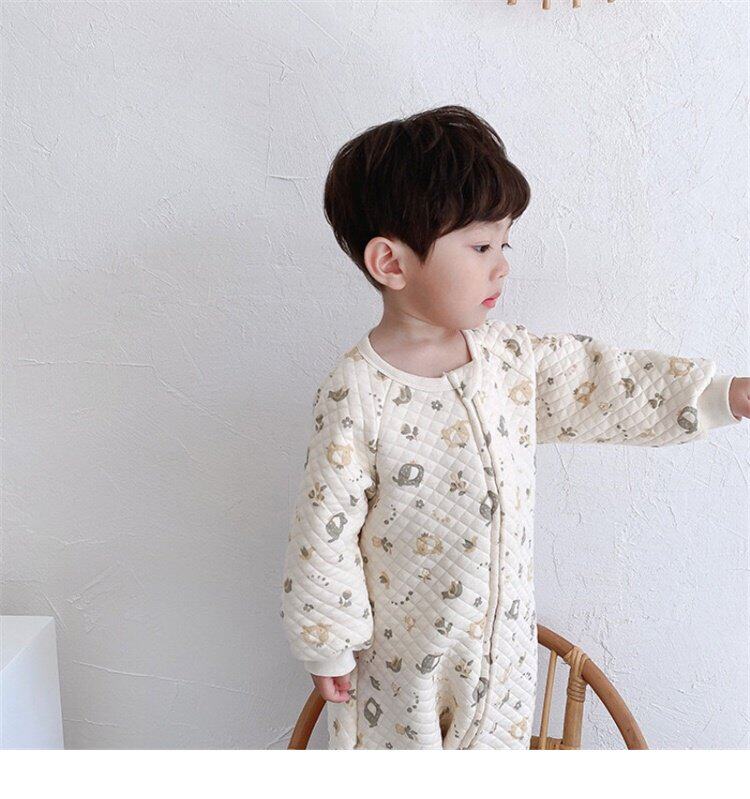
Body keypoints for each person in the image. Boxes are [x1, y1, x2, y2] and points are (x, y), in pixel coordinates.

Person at [279, 105, 747, 749]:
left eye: (505, 245)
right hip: (403, 668)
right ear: (391, 262)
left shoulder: (508, 360)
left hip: (504, 662)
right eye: (480, 247)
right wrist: (328, 643)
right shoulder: (357, 392)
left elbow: (601, 383)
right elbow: (323, 524)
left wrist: (721, 395)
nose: (501, 266)